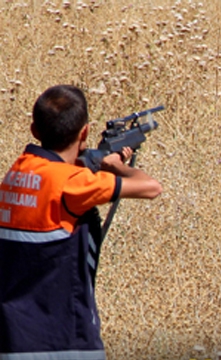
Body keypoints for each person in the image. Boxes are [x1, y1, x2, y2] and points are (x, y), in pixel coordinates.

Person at [0, 85, 162, 359]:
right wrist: (116, 165)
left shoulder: (16, 174)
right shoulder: (72, 184)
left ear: (34, 131)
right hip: (64, 340)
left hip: (13, 338)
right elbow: (150, 187)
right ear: (84, 132)